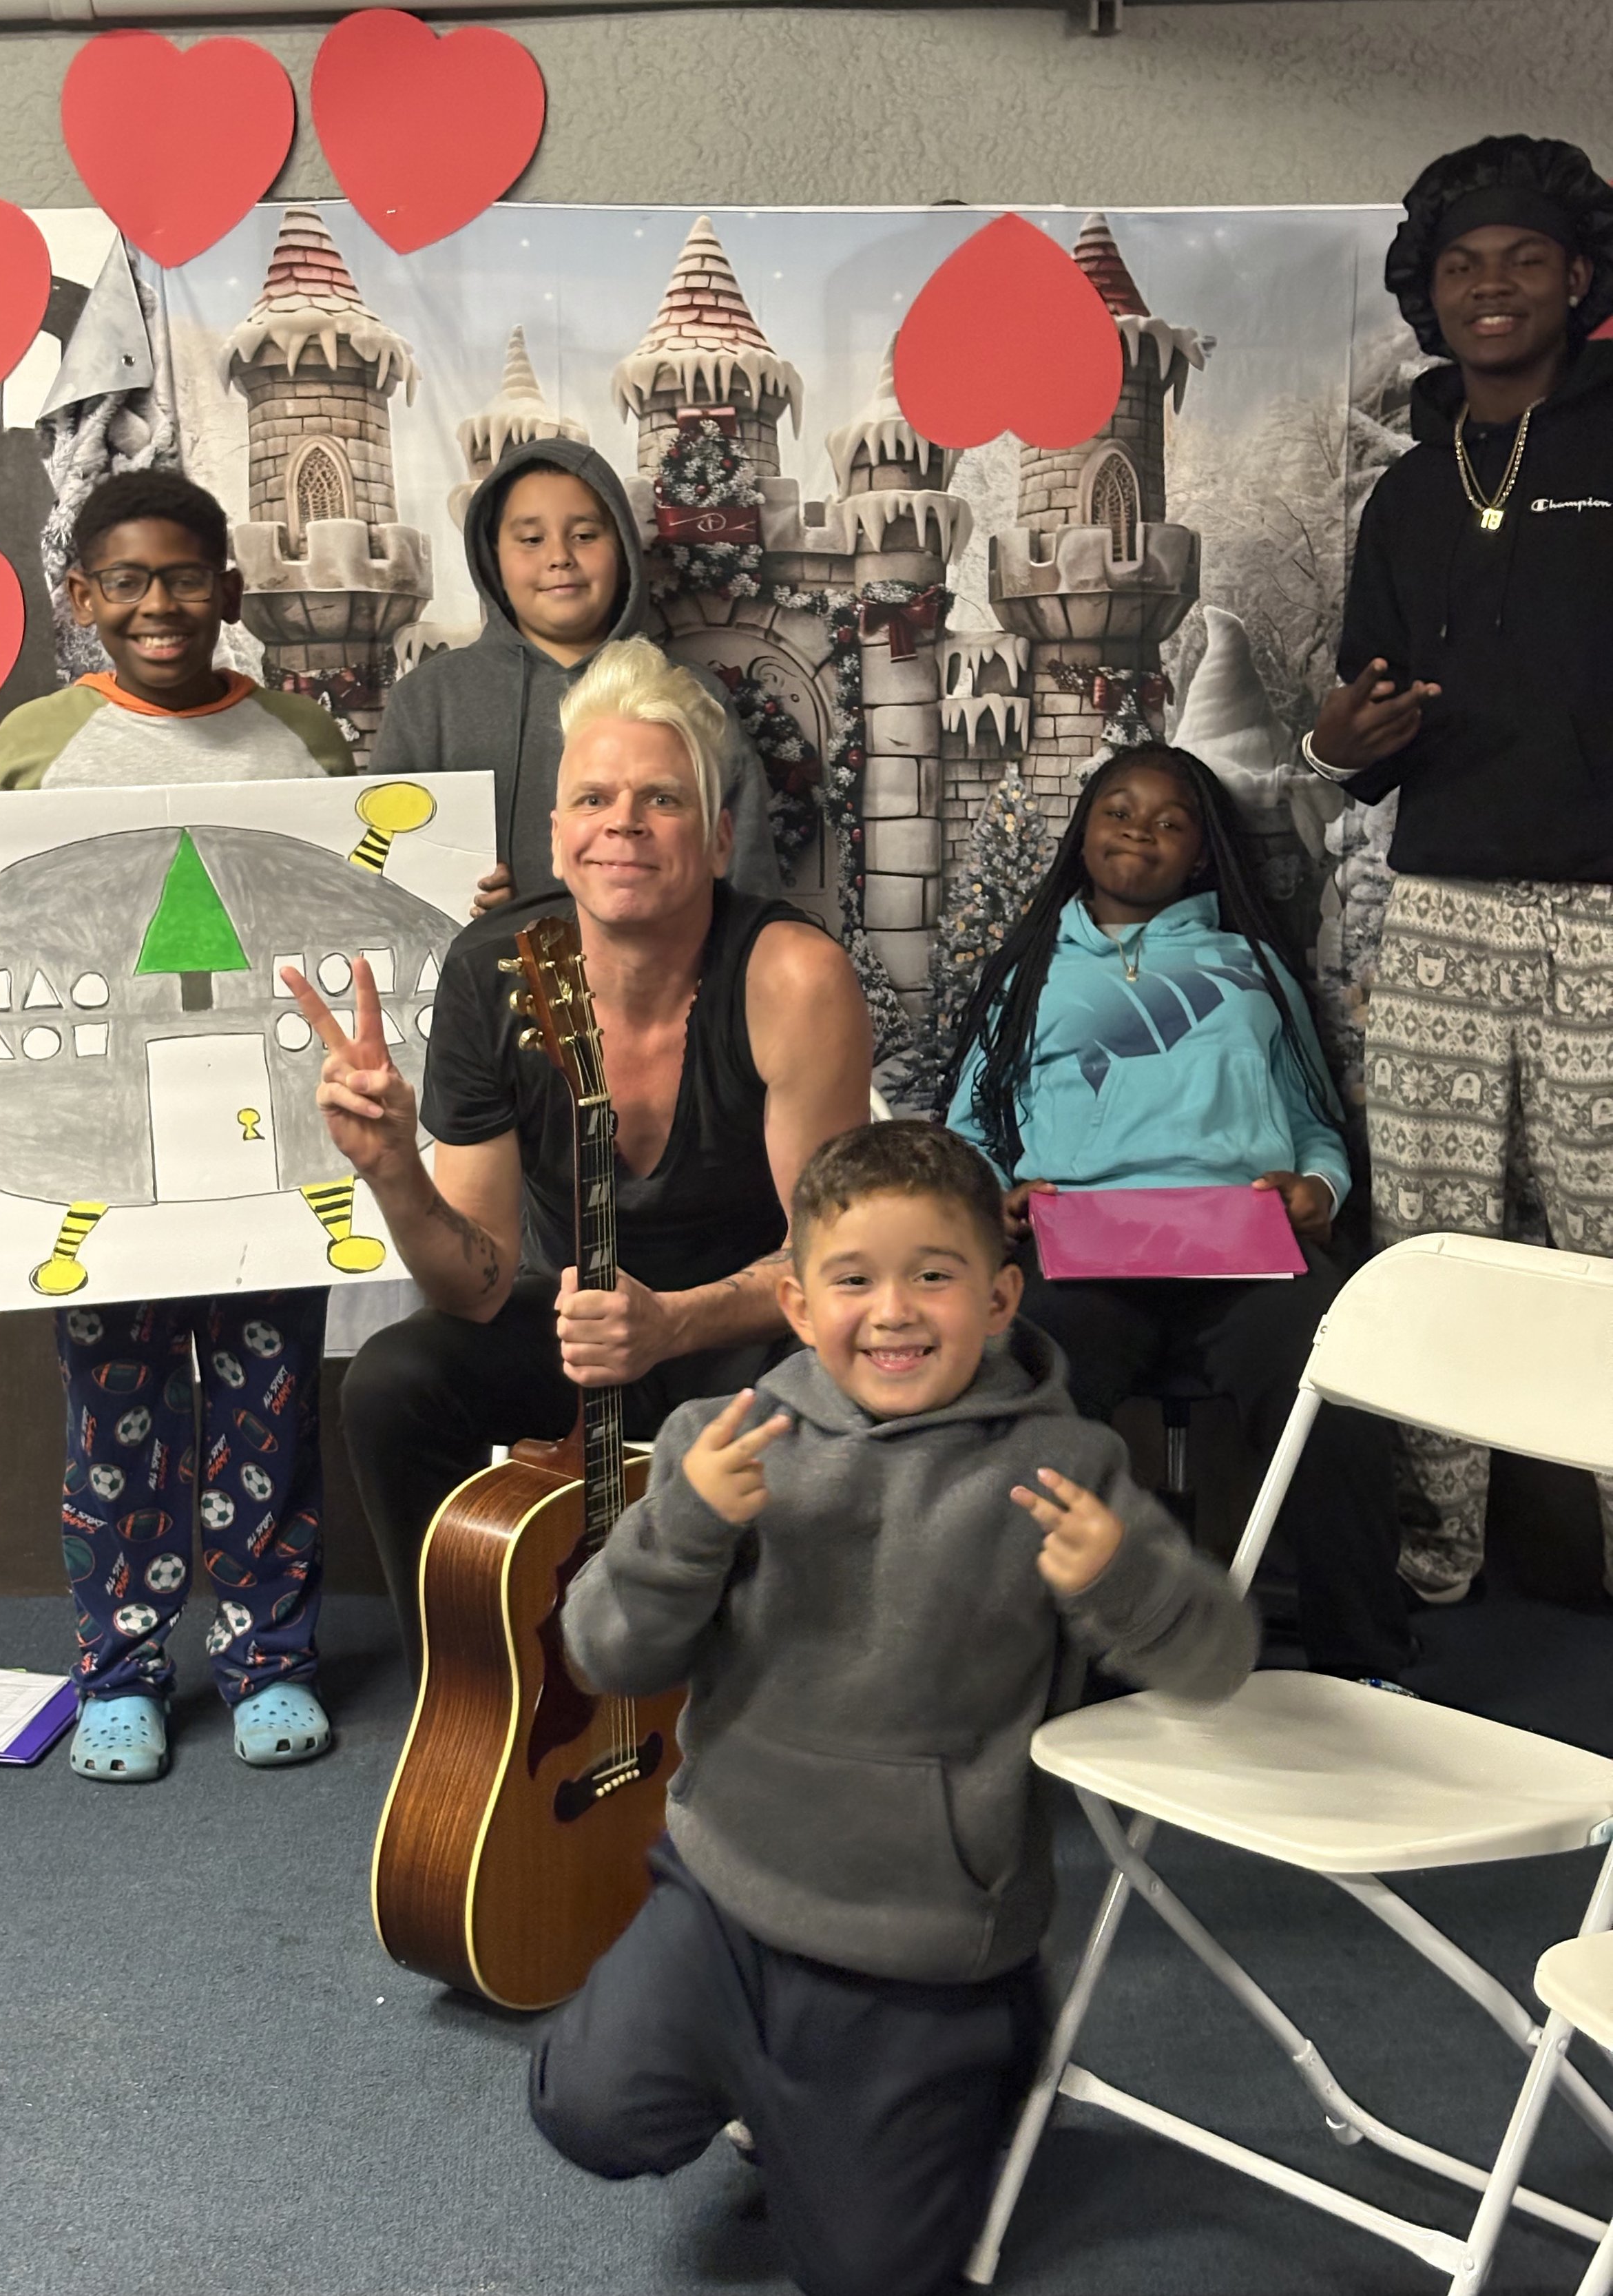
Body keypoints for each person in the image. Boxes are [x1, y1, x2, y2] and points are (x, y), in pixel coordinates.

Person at [528, 1120, 1255, 2296]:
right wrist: (685, 1527)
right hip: (725, 1891)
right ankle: (779, 2089)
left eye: (934, 1274)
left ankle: (976, 2063)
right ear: (798, 1302)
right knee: (585, 2106)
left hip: (923, 1943)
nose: (895, 1311)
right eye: (855, 1279)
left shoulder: (1064, 1465)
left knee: (871, 2275)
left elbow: (1217, 1661)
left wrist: (1123, 1577)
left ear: (1001, 1295)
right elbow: (605, 1650)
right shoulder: (721, 1440)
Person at [293, 635, 871, 1677]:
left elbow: (834, 1266)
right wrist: (391, 1171)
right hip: (577, 1321)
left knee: (859, 1379)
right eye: (594, 799)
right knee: (394, 1382)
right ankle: (473, 1704)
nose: (624, 824)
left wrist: (673, 1322)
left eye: (662, 800)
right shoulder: (491, 971)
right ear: (558, 841)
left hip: (750, 1329)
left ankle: (788, 1697)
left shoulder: (793, 976)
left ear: (717, 838)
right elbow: (473, 1288)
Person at [0, 469, 352, 1781]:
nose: (158, 604)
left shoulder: (302, 736)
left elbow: (345, 914)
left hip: (268, 1142)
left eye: (185, 576)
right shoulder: (31, 745)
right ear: (81, 596)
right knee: (113, 1413)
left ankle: (269, 1655)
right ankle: (121, 1669)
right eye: (126, 581)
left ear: (229, 588)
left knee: (269, 1408)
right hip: (105, 1146)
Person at [1305, 134, 1613, 1604]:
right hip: (1436, 908)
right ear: (1426, 294)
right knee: (1427, 1238)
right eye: (1460, 266)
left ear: (1578, 277)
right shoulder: (1410, 493)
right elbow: (1361, 724)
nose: (1490, 287)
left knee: (1607, 1242)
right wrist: (1334, 742)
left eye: (1522, 260)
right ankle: (1433, 1565)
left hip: (1603, 914)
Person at [943, 745, 1414, 1680]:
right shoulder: (1028, 972)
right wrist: (992, 1195)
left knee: (1335, 1381)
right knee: (1019, 1387)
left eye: (1170, 821)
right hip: (1079, 1248)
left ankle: (1364, 1662)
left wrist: (1319, 1191)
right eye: (1119, 811)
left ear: (1201, 852)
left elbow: (1316, 1126)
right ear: (1083, 831)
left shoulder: (1254, 969)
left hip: (1243, 1244)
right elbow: (968, 1127)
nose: (1140, 832)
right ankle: (1017, 1673)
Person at [371, 435, 781, 913]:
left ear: (622, 548)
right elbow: (383, 880)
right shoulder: (427, 702)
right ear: (493, 556)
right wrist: (455, 902)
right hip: (476, 962)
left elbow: (750, 890)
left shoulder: (692, 697)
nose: (559, 557)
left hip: (662, 961)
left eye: (585, 535)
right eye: (531, 540)